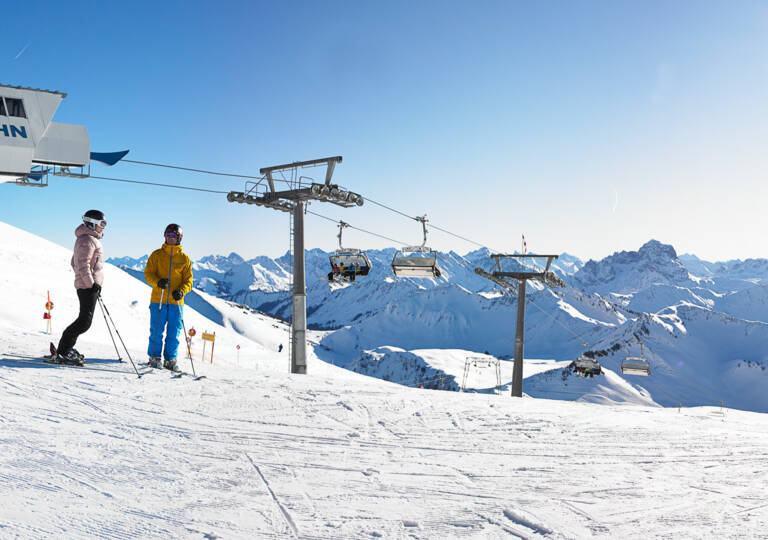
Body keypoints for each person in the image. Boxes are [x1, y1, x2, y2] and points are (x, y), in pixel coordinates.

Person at [53, 210, 106, 364]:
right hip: (87, 287)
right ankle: (64, 350)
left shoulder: (87, 239)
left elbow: (74, 262)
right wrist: (91, 284)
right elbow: (82, 265)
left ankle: (66, 348)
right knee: (84, 322)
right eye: (102, 224)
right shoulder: (87, 240)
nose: (103, 227)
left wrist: (94, 284)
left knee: (84, 320)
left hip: (88, 286)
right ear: (92, 223)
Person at [144, 223, 193, 370]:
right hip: (158, 299)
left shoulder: (184, 259)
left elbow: (189, 281)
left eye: (173, 236)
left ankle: (170, 359)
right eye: (168, 235)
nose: (170, 238)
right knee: (156, 330)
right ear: (164, 236)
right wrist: (158, 282)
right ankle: (154, 357)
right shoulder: (156, 255)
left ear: (179, 238)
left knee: (174, 331)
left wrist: (182, 291)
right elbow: (148, 274)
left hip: (176, 302)